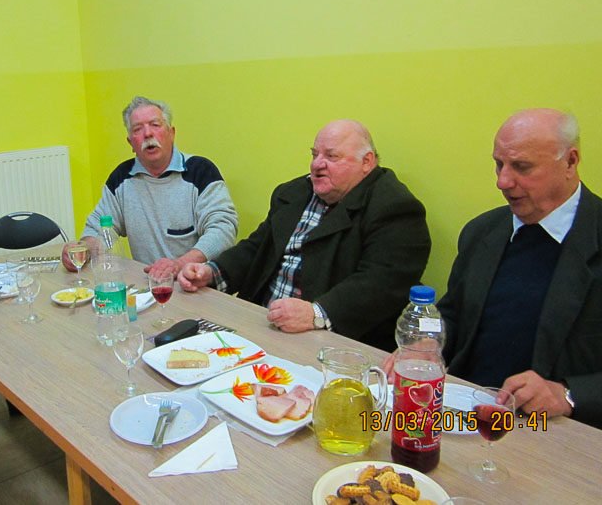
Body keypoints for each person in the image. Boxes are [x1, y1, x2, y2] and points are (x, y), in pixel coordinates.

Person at [385, 108, 601, 429]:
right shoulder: (482, 232)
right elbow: (454, 312)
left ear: (570, 162)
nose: (503, 181)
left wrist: (569, 394)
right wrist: (427, 343)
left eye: (522, 167)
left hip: (558, 430)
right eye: (499, 164)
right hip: (466, 412)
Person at [178, 119, 431, 351]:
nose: (317, 164)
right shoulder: (294, 192)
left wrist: (316, 314)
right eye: (314, 154)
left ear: (367, 162)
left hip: (326, 343)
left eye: (331, 156)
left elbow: (381, 284)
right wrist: (212, 272)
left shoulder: (395, 207)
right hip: (258, 322)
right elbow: (257, 247)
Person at [62, 96, 238, 277]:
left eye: (155, 125)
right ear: (131, 143)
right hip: (147, 283)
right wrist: (84, 249)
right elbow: (99, 227)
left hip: (194, 282)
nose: (147, 134)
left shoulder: (201, 172)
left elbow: (223, 229)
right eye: (138, 129)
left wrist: (179, 264)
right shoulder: (121, 178)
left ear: (171, 133)